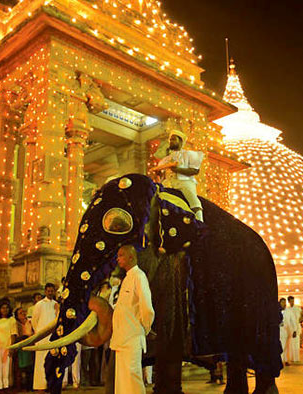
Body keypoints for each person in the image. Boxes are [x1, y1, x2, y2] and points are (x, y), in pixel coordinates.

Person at [110, 245, 154, 394]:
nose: (118, 258)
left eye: (121, 255)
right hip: (121, 338)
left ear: (131, 257)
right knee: (122, 379)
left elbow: (147, 308)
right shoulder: (127, 278)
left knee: (132, 376)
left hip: (132, 337)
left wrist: (143, 329)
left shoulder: (139, 276)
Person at [150, 129, 205, 222]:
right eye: (170, 140)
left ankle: (200, 221)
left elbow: (195, 170)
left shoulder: (188, 154)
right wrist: (157, 172)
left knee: (192, 198)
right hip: (168, 183)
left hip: (184, 181)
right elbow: (161, 173)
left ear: (180, 141)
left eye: (174, 139)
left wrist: (177, 170)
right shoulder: (165, 159)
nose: (171, 141)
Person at [31, 283, 59, 391]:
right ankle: (40, 385)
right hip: (42, 337)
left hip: (53, 337)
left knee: (52, 361)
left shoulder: (56, 304)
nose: (50, 293)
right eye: (48, 291)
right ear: (45, 292)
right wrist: (39, 333)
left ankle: (50, 384)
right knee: (40, 361)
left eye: (52, 291)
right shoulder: (39, 304)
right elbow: (34, 320)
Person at [13, 307, 34, 390]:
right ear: (17, 316)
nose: (23, 314)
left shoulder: (30, 322)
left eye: (24, 312)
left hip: (30, 346)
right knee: (20, 368)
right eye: (21, 313)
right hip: (21, 348)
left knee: (30, 367)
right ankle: (20, 386)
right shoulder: (16, 324)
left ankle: (30, 385)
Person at [278, 298, 296, 366]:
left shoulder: (289, 311)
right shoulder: (276, 311)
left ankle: (285, 360)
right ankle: (281, 360)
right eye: (282, 302)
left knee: (286, 346)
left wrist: (294, 330)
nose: (284, 304)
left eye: (285, 302)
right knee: (280, 346)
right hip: (278, 331)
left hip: (286, 331)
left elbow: (293, 321)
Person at [284, 296, 301, 363]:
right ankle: (291, 358)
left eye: (293, 301)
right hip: (289, 329)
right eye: (291, 301)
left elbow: (300, 318)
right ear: (288, 301)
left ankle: (296, 358)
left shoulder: (298, 308)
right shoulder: (287, 309)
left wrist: (296, 329)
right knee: (290, 344)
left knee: (296, 343)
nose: (292, 302)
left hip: (297, 328)